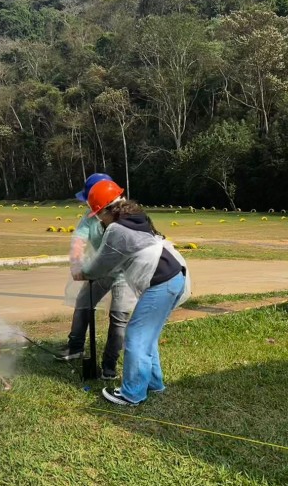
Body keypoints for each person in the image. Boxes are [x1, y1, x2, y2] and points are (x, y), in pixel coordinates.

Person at [75, 181, 191, 406]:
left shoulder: (117, 230)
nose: (99, 220)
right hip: (173, 275)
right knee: (147, 335)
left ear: (108, 209)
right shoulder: (135, 216)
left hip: (162, 282)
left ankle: (132, 393)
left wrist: (83, 272)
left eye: (99, 214)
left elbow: (101, 266)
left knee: (136, 336)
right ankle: (154, 384)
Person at [58, 173, 132, 380]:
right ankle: (76, 347)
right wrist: (77, 265)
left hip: (125, 275)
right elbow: (78, 241)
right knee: (83, 302)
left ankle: (109, 366)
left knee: (118, 317)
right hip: (101, 271)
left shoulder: (126, 218)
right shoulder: (89, 218)